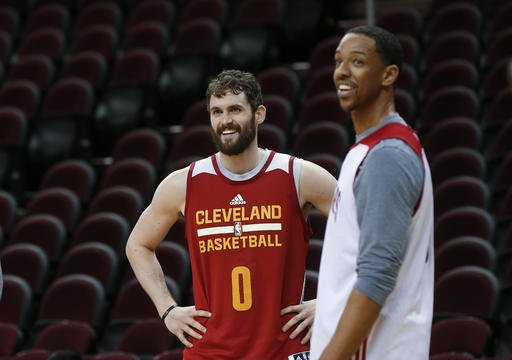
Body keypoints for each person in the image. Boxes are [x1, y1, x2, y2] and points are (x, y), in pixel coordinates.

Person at [126, 69, 338, 359]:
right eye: (217, 112)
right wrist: (168, 309)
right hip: (210, 350)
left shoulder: (300, 175)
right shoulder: (183, 184)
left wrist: (330, 301)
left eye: (235, 109)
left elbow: (365, 235)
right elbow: (137, 245)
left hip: (283, 347)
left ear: (259, 114)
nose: (225, 121)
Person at [310, 25, 434, 360]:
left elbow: (377, 277)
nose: (342, 72)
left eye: (358, 62)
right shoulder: (369, 150)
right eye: (338, 62)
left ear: (388, 74)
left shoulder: (387, 156)